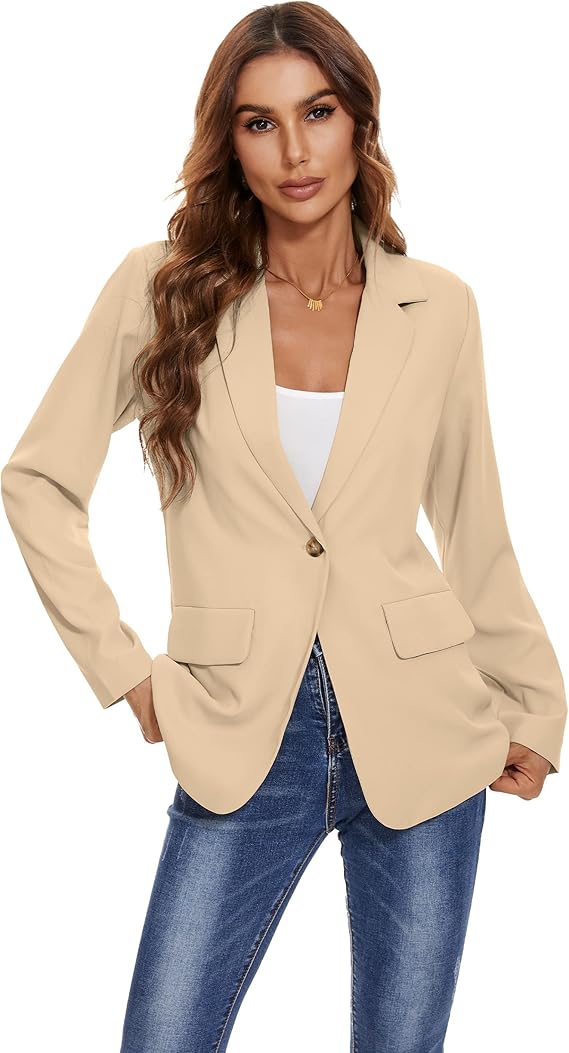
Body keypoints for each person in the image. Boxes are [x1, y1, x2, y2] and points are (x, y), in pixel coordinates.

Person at [2, 4, 566, 1051]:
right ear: (230, 141)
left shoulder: (437, 307)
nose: (295, 152)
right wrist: (123, 671)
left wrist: (535, 700)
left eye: (318, 112)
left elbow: (472, 518)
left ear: (359, 121)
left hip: (424, 723)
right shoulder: (160, 289)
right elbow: (35, 480)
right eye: (259, 123)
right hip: (238, 727)